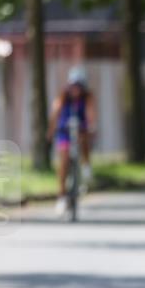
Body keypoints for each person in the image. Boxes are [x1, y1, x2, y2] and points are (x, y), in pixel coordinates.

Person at [47, 67, 97, 216]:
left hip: (81, 130)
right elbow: (55, 113)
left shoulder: (87, 98)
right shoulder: (63, 97)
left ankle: (86, 165)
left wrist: (91, 126)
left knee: (85, 140)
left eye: (79, 87)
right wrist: (51, 130)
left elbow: (90, 114)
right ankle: (61, 196)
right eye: (73, 86)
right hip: (65, 132)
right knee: (63, 161)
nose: (76, 90)